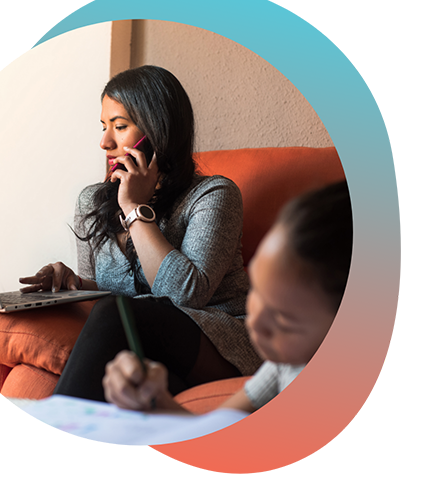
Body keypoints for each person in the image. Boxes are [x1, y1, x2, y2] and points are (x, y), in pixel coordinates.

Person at [19, 65, 263, 401]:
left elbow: (184, 295)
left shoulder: (214, 195)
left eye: (119, 127)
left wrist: (135, 209)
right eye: (104, 127)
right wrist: (73, 283)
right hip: (143, 353)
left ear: (156, 131)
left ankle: (53, 431)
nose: (104, 142)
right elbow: (101, 296)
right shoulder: (92, 200)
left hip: (218, 347)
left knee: (118, 313)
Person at [103, 180, 353, 413]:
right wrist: (156, 402)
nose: (255, 321)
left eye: (284, 317)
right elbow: (218, 429)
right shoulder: (284, 366)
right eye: (257, 289)